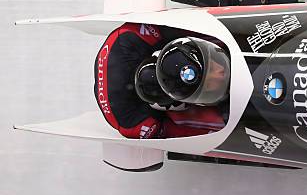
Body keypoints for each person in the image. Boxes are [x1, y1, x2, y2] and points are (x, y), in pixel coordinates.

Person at [94, 23, 228, 139]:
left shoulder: (128, 38)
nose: (220, 76)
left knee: (183, 42)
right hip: (131, 111)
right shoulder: (133, 124)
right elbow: (178, 134)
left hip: (127, 46)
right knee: (185, 119)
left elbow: (179, 26)